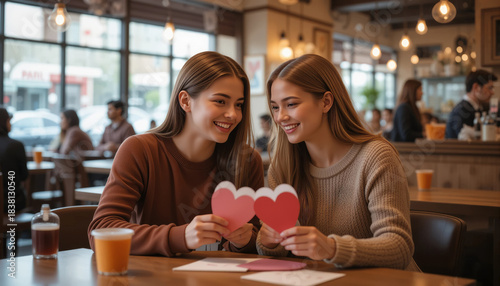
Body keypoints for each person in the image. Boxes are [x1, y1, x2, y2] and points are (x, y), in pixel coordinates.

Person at [88, 51, 264, 256]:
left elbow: (258, 239)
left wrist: (244, 241)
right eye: (220, 101)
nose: (233, 114)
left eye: (239, 105)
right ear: (185, 101)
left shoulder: (247, 160)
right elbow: (101, 231)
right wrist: (181, 236)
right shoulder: (139, 150)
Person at [257, 54, 418, 271]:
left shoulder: (376, 156)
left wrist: (331, 248)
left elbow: (399, 248)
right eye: (275, 107)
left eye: (291, 104)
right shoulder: (283, 166)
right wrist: (270, 242)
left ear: (326, 102)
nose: (280, 117)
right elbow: (282, 251)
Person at [445, 70, 497, 139]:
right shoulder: (460, 111)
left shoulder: (480, 107)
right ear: (476, 87)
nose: (492, 92)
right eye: (489, 88)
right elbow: (467, 144)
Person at [0, 107, 28, 212]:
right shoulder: (16, 146)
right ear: (5, 122)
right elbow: (24, 175)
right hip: (11, 202)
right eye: (9, 121)